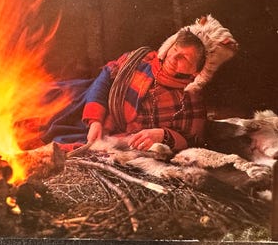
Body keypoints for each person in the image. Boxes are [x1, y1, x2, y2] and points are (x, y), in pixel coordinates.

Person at [39, 16, 238, 152]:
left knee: (58, 147)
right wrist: (95, 120)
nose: (174, 57)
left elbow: (193, 141)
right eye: (175, 49)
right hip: (86, 103)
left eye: (184, 58)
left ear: (196, 70)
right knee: (35, 106)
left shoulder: (190, 101)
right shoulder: (141, 59)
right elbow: (105, 78)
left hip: (112, 136)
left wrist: (162, 134)